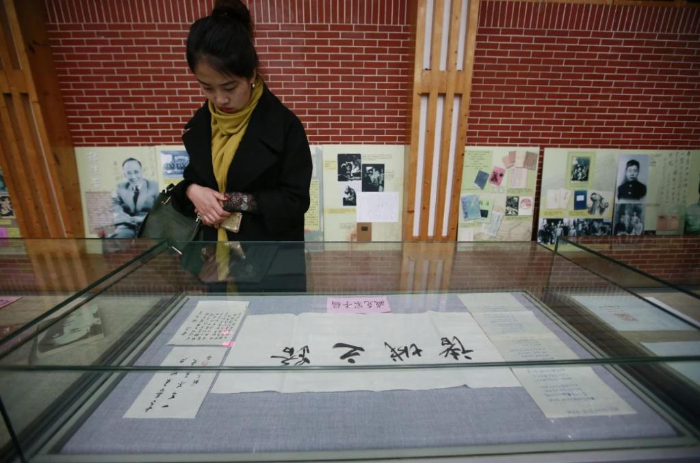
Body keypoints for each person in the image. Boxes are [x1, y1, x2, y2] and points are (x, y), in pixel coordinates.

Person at [171, 0, 311, 289]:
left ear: (251, 74)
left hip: (268, 267)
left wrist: (232, 201)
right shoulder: (202, 125)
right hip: (214, 264)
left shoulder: (285, 127)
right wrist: (193, 191)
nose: (219, 99)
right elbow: (191, 181)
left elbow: (295, 201)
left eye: (229, 87)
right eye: (206, 87)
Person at [109, 158, 159, 239]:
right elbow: (114, 204)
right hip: (127, 225)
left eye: (136, 172)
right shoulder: (121, 187)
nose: (133, 176)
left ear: (142, 171)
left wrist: (143, 219)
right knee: (115, 241)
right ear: (124, 174)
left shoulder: (155, 186)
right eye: (129, 173)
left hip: (149, 225)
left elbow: (162, 210)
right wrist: (124, 217)